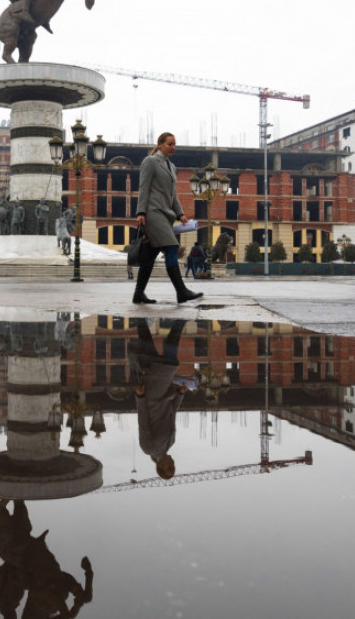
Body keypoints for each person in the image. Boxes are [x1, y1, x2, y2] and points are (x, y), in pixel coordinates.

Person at [133, 133, 203, 304]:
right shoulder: (150, 162)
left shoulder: (171, 166)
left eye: (174, 144)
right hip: (152, 212)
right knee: (172, 246)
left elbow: (173, 195)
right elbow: (144, 188)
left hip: (165, 214)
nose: (173, 147)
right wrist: (140, 212)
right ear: (160, 144)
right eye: (170, 144)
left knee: (150, 255)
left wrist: (180, 214)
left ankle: (138, 294)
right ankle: (181, 291)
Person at [130, 318, 189, 479]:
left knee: (169, 361)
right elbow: (172, 411)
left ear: (160, 467)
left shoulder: (148, 448)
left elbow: (143, 421)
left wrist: (140, 397)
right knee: (151, 348)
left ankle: (178, 324)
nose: (172, 464)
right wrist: (181, 394)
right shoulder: (170, 443)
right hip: (165, 394)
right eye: (173, 467)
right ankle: (143, 319)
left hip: (153, 395)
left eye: (169, 467)